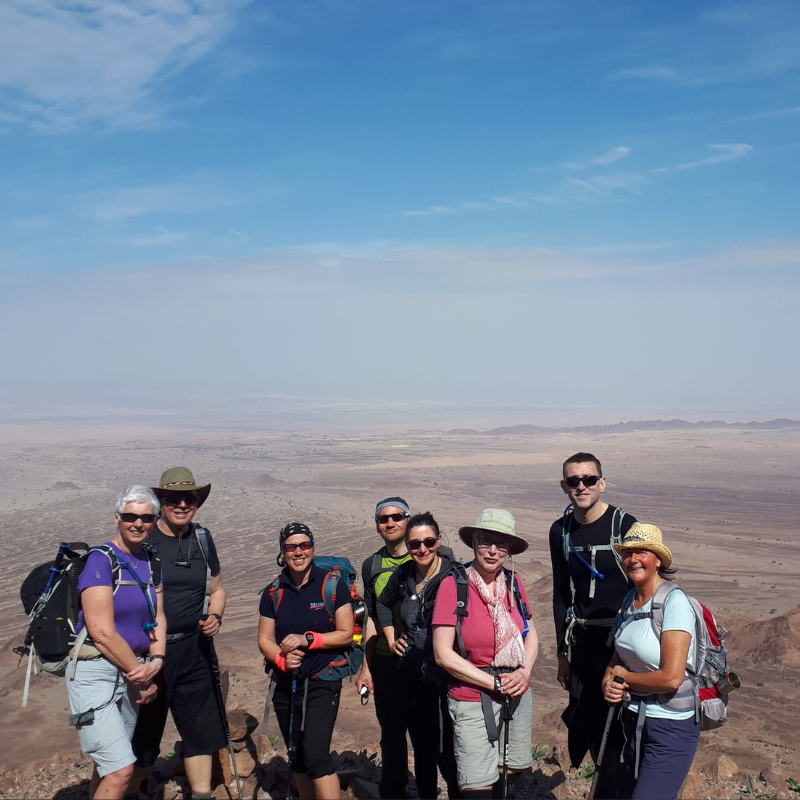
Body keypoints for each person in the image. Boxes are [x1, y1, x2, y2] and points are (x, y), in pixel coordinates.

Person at [131, 467, 228, 800]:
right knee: (141, 735)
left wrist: (215, 615)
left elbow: (217, 589)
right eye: (174, 498)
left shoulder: (202, 539)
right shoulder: (143, 541)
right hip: (147, 654)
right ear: (161, 501)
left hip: (195, 650)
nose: (183, 504)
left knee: (199, 732)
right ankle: (129, 793)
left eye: (190, 498)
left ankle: (201, 795)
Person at [66, 485, 166, 800]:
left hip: (132, 671)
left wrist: (157, 660)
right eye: (130, 516)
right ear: (117, 518)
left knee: (108, 766)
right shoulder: (101, 561)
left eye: (146, 517)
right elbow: (101, 632)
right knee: (121, 770)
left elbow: (159, 615)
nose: (138, 523)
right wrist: (141, 673)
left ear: (155, 520)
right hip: (96, 672)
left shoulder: (150, 560)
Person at [433, 509, 538, 799]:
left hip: (517, 691)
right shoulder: (454, 585)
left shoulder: (514, 584)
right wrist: (494, 684)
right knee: (476, 783)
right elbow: (442, 654)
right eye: (485, 541)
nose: (493, 550)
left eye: (501, 544)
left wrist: (524, 672)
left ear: (509, 550)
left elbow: (529, 633)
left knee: (511, 771)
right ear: (473, 543)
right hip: (471, 696)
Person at [549, 452, 637, 796]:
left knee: (618, 728)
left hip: (622, 643)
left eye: (588, 479)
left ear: (602, 483)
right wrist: (562, 654)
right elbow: (560, 594)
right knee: (585, 722)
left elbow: (643, 587)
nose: (581, 486)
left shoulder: (625, 526)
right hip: (583, 642)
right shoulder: (562, 531)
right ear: (564, 486)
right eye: (573, 481)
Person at [258, 522, 354, 800]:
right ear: (282, 552)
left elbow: (346, 634)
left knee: (315, 755)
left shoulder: (332, 584)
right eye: (291, 547)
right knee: (296, 754)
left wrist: (308, 640)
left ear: (313, 548)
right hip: (287, 682)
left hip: (322, 679)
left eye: (305, 545)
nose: (298, 552)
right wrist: (281, 661)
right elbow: (264, 639)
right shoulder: (274, 591)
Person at [602, 524, 698, 800]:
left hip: (671, 726)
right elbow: (619, 656)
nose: (633, 559)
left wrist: (624, 678)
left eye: (642, 552)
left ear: (658, 561)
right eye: (628, 552)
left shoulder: (674, 602)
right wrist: (607, 681)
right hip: (633, 719)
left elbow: (671, 678)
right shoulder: (630, 600)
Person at [376, 512, 461, 799]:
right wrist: (390, 638)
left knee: (448, 752)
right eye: (415, 544)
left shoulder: (456, 576)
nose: (422, 549)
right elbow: (383, 604)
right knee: (423, 748)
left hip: (448, 680)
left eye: (429, 542)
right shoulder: (403, 575)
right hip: (412, 677)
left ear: (439, 541)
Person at [355, 496, 415, 800]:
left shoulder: (428, 554)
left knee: (429, 732)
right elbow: (369, 619)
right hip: (384, 660)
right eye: (383, 518)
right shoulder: (372, 565)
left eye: (397, 516)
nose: (390, 522)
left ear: (408, 519)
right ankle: (393, 791)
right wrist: (365, 668)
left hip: (422, 661)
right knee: (391, 732)